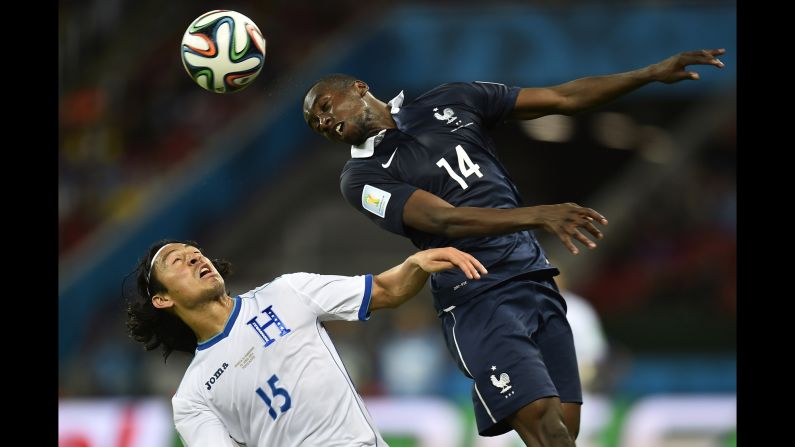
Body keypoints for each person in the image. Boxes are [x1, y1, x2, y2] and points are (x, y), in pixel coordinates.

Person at [302, 48, 725, 446]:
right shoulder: (359, 179)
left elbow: (563, 97)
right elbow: (442, 218)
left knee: (565, 431)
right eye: (315, 125)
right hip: (477, 295)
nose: (322, 122)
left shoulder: (452, 99)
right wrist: (538, 215)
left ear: (358, 87)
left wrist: (648, 74)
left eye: (324, 107)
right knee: (545, 424)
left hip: (534, 277)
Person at [126, 239, 486, 446]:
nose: (194, 257)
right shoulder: (192, 397)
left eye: (195, 252)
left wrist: (416, 264)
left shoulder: (287, 293)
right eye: (178, 261)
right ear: (162, 299)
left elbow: (385, 289)